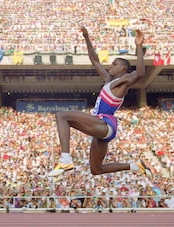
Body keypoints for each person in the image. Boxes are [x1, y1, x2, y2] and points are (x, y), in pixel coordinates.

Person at [48, 26, 153, 179]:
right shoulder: (108, 80)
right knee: (96, 169)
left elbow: (140, 73)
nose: (111, 66)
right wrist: (86, 38)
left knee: (62, 116)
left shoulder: (123, 81)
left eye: (115, 64)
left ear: (124, 68)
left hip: (105, 123)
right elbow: (95, 60)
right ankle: (135, 166)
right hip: (101, 130)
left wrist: (138, 46)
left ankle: (65, 160)